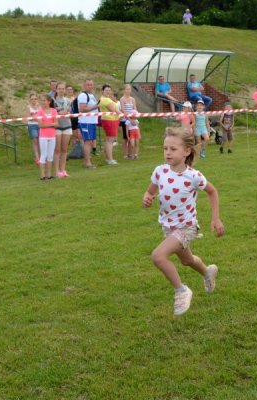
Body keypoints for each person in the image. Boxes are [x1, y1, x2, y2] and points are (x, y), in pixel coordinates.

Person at [142, 127, 224, 316]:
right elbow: (149, 192)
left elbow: (212, 191)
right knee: (187, 260)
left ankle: (181, 290)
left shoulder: (193, 176)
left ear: (186, 151)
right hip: (169, 228)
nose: (168, 153)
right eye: (165, 148)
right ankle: (207, 272)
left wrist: (216, 218)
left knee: (158, 256)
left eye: (173, 149)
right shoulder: (160, 171)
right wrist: (147, 198)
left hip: (187, 227)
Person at [78, 79, 100, 168]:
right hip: (86, 121)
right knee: (88, 141)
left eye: (91, 84)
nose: (90, 86)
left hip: (92, 121)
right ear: (84, 86)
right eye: (88, 85)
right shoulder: (83, 95)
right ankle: (87, 162)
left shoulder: (92, 95)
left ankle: (88, 161)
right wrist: (95, 106)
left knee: (90, 142)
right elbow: (82, 109)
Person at [98, 84, 122, 165]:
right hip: (109, 120)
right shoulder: (105, 100)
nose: (108, 92)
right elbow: (114, 110)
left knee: (109, 140)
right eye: (106, 90)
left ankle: (108, 158)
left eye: (109, 90)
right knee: (110, 140)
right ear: (102, 91)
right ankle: (110, 159)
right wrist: (122, 115)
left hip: (111, 120)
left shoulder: (106, 99)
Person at [37, 94, 58, 180]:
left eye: (44, 100)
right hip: (43, 136)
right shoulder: (40, 112)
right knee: (43, 155)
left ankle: (49, 174)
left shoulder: (54, 111)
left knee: (50, 156)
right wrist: (51, 124)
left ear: (49, 102)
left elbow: (56, 124)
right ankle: (42, 175)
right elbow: (41, 125)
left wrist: (48, 124)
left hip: (52, 136)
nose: (43, 102)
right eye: (42, 101)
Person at [53, 82, 72, 178]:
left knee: (64, 149)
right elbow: (52, 113)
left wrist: (66, 113)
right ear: (56, 90)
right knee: (57, 150)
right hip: (57, 126)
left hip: (67, 125)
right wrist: (59, 113)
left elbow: (69, 111)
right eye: (59, 89)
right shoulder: (53, 101)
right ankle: (57, 171)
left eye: (63, 89)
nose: (61, 90)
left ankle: (63, 169)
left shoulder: (68, 100)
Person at [120, 84, 137, 159]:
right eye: (127, 89)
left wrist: (134, 119)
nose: (128, 91)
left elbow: (135, 109)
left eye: (129, 89)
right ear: (124, 90)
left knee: (131, 137)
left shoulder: (133, 99)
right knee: (125, 138)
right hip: (125, 120)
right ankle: (125, 154)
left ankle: (130, 153)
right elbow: (123, 110)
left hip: (133, 120)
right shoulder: (122, 99)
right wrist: (129, 119)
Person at [26, 93, 41, 164]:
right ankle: (37, 158)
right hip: (32, 125)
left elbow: (40, 116)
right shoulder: (28, 107)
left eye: (35, 99)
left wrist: (34, 116)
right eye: (32, 99)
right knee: (35, 140)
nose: (34, 100)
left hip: (39, 125)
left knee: (40, 140)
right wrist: (35, 116)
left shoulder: (39, 107)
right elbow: (29, 117)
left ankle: (41, 157)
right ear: (30, 100)